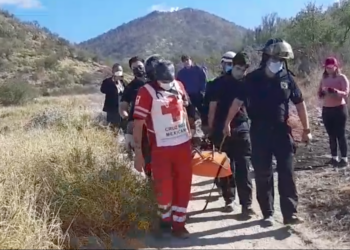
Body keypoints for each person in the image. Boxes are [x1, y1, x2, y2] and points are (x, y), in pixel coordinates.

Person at [224, 38, 312, 226]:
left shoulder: (287, 78)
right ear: (266, 57)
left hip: (282, 132)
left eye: (281, 60)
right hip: (259, 132)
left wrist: (307, 129)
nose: (278, 63)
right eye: (275, 59)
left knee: (287, 172)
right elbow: (237, 102)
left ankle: (290, 214)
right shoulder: (252, 79)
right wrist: (227, 123)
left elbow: (300, 103)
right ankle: (268, 213)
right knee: (263, 174)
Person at [133, 56, 193, 239]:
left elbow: (185, 110)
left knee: (183, 186)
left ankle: (179, 224)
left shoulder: (179, 85)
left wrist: (194, 134)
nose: (168, 84)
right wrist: (138, 153)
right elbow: (138, 123)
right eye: (163, 81)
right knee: (163, 188)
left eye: (170, 80)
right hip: (161, 148)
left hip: (183, 146)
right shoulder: (146, 92)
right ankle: (165, 221)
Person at [208, 52, 253, 216]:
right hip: (221, 129)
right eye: (239, 68)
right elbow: (212, 108)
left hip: (241, 127)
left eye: (245, 69)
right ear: (232, 66)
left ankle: (246, 205)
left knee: (244, 167)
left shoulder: (247, 83)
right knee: (225, 167)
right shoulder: (218, 84)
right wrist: (212, 130)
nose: (242, 72)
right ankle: (229, 199)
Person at [119, 56, 152, 176]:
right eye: (134, 68)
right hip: (137, 124)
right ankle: (150, 181)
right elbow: (123, 105)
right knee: (143, 152)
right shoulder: (131, 87)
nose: (138, 70)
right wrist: (124, 114)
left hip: (157, 122)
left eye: (140, 67)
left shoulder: (154, 81)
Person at [318, 57, 349, 167]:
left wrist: (335, 91)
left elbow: (346, 93)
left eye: (331, 67)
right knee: (331, 135)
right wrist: (321, 93)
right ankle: (334, 158)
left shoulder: (342, 78)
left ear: (336, 67)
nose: (329, 69)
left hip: (339, 109)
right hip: (327, 109)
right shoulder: (324, 78)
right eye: (327, 67)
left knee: (340, 134)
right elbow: (319, 92)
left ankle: (344, 158)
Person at [202, 51, 237, 131]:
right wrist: (208, 125)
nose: (230, 66)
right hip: (220, 124)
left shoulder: (242, 83)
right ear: (222, 64)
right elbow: (209, 107)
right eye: (228, 64)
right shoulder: (214, 84)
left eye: (232, 64)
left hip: (237, 125)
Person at [100, 63, 126, 131]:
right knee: (113, 128)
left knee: (122, 128)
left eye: (120, 70)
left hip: (122, 109)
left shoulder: (123, 82)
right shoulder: (107, 81)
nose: (119, 71)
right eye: (117, 70)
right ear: (113, 71)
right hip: (112, 110)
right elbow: (102, 90)